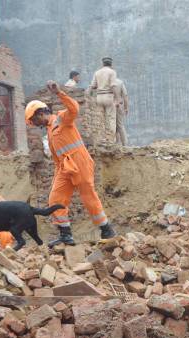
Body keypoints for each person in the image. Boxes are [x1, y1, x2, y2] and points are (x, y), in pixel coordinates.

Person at [25, 81, 116, 246]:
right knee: (55, 199)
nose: (35, 124)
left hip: (79, 162)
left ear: (39, 114)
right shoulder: (50, 130)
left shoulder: (61, 119)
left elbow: (74, 108)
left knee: (88, 196)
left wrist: (59, 93)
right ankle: (65, 233)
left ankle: (106, 229)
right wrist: (58, 170)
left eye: (33, 120)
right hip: (64, 168)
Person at [90, 57, 118, 142]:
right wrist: (117, 98)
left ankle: (102, 138)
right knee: (111, 118)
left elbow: (93, 86)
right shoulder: (112, 72)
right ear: (111, 64)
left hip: (99, 97)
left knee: (101, 119)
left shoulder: (97, 72)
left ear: (102, 64)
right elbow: (113, 86)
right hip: (108, 96)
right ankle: (111, 139)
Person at [113, 77, 129, 146]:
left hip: (107, 106)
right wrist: (126, 107)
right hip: (118, 105)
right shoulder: (119, 82)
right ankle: (124, 144)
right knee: (120, 125)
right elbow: (125, 96)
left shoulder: (105, 82)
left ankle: (116, 143)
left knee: (113, 126)